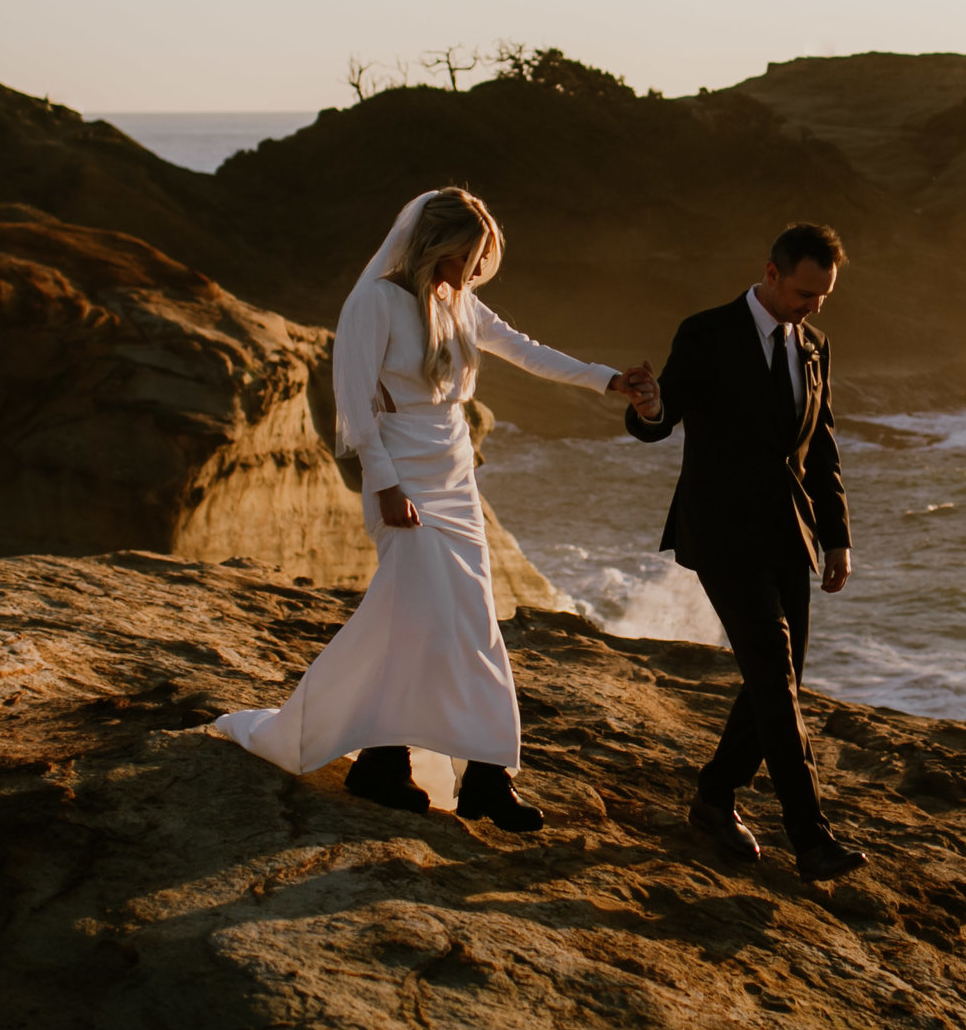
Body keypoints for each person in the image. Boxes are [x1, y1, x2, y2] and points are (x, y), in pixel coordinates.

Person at [215, 187, 651, 832]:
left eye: (484, 257)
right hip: (402, 475)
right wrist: (384, 482)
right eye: (471, 255)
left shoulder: (461, 305)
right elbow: (355, 401)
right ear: (437, 246)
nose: (479, 269)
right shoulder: (376, 300)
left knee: (472, 625)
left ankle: (483, 777)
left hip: (453, 472)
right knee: (416, 618)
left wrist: (607, 379)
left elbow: (526, 350)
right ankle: (381, 763)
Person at [624, 222, 865, 881]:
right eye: (805, 292)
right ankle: (810, 837)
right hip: (722, 531)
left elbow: (822, 449)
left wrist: (837, 535)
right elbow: (663, 414)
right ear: (771, 273)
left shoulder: (814, 346)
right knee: (773, 677)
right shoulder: (706, 332)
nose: (814, 305)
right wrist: (647, 405)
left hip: (791, 533)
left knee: (778, 681)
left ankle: (713, 797)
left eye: (824, 296)